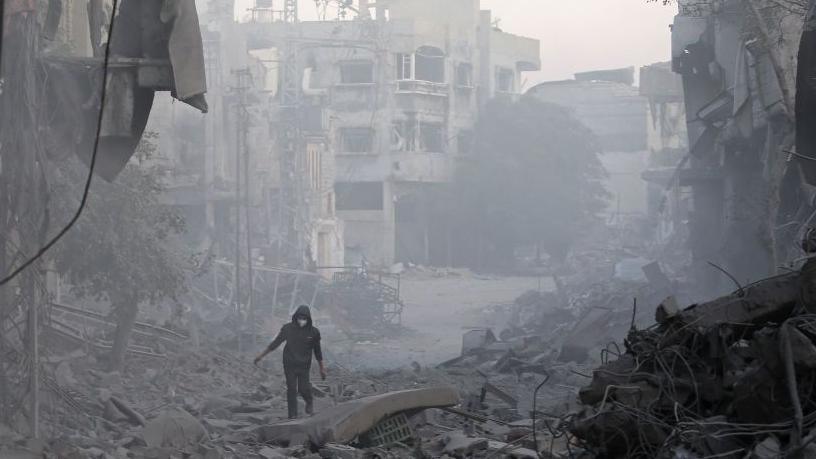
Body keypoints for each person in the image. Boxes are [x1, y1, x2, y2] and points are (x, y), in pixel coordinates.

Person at [254, 305, 327, 419]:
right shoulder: (287, 329)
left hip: (304, 365)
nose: (301, 320)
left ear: (308, 319)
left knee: (303, 388)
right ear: (296, 317)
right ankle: (292, 415)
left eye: (304, 318)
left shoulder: (314, 332)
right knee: (291, 388)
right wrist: (261, 355)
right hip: (289, 363)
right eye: (300, 317)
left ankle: (309, 401)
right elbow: (276, 343)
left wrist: (322, 368)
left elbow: (317, 351)